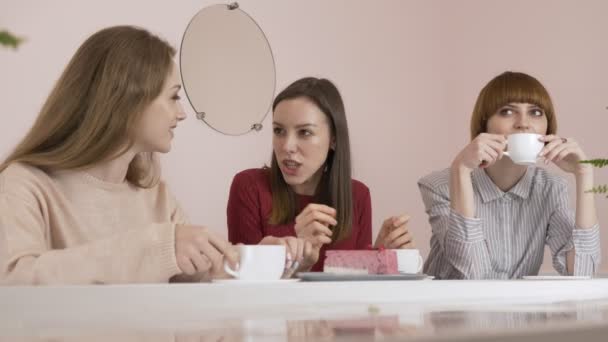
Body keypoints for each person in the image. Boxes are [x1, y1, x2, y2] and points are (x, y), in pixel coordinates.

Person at [0, 25, 238, 285]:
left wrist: (253, 260)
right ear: (128, 99)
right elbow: (13, 281)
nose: (181, 113)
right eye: (174, 97)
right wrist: (155, 248)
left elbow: (195, 279)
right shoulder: (23, 185)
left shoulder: (156, 196)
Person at [419, 71, 601, 279]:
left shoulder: (552, 188)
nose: (523, 123)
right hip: (452, 310)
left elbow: (582, 271)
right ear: (483, 125)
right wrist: (460, 170)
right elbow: (474, 273)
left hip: (518, 310)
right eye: (506, 112)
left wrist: (584, 172)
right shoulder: (439, 186)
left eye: (535, 112)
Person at [227, 77, 414, 272]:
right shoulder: (248, 186)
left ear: (333, 139)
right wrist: (298, 250)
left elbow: (352, 291)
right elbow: (244, 284)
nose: (287, 146)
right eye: (279, 130)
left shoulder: (357, 195)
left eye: (304, 132)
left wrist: (379, 256)